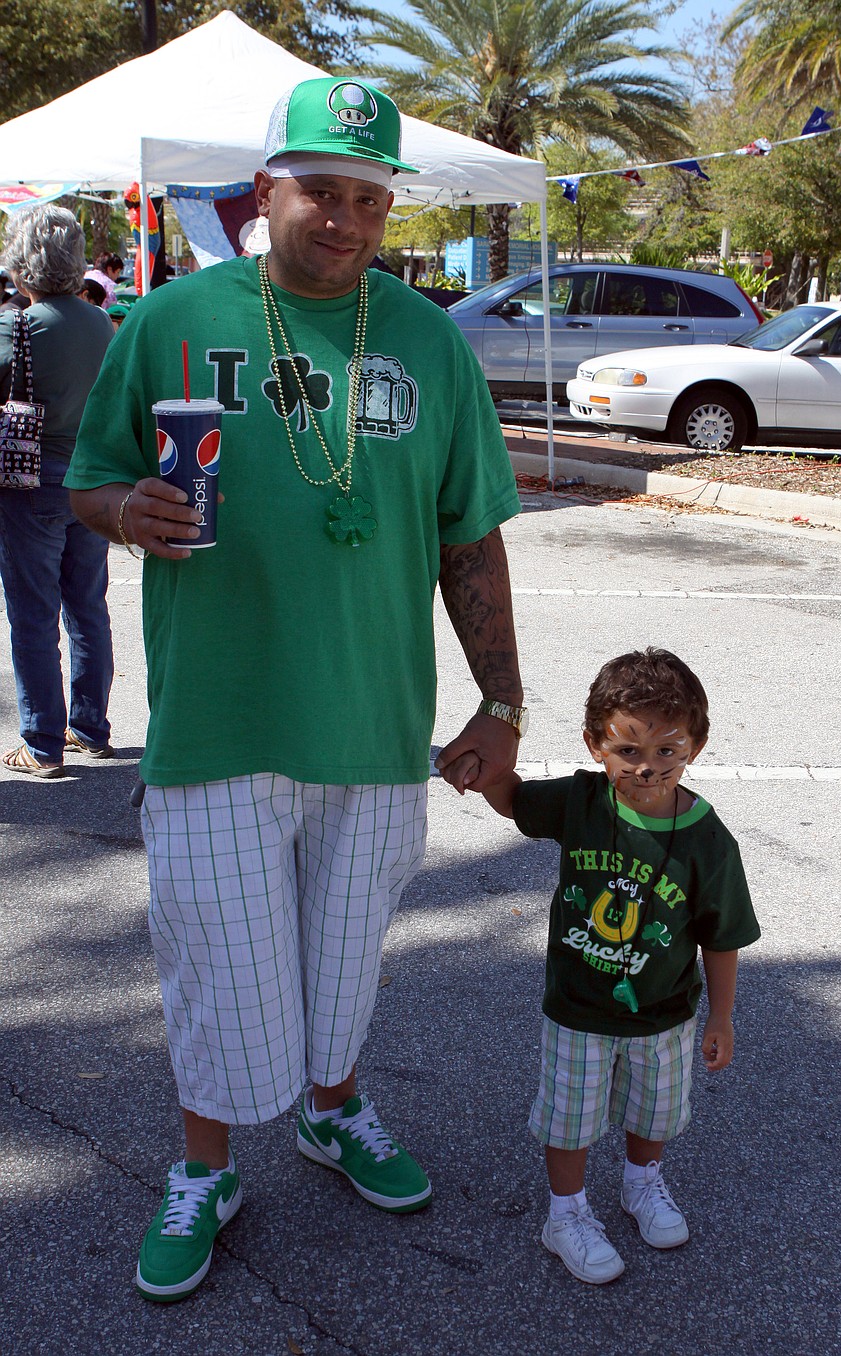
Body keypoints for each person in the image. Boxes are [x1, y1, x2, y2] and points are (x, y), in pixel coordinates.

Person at [65, 76, 526, 1303]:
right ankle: (203, 1169)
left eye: (368, 198)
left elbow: (470, 538)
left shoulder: (426, 339)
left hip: (373, 726)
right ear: (262, 190)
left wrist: (503, 703)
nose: (345, 218)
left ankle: (333, 1111)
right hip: (216, 718)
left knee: (344, 957)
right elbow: (90, 481)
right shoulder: (167, 319)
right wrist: (127, 511)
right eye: (320, 189)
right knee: (220, 958)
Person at [442, 648, 760, 1284]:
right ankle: (566, 1215)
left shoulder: (708, 840)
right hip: (578, 1010)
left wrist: (720, 1015)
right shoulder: (582, 802)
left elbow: (720, 937)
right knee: (570, 1117)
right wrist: (485, 772)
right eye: (629, 751)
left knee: (653, 1115)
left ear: (695, 746)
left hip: (664, 1016)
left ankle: (642, 1185)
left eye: (667, 751)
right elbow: (516, 803)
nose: (647, 768)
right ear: (595, 745)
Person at [0, 205, 115, 778]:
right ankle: (90, 726)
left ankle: (41, 740)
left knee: (34, 614)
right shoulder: (101, 321)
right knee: (88, 607)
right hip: (90, 483)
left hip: (28, 484)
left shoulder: (17, 325)